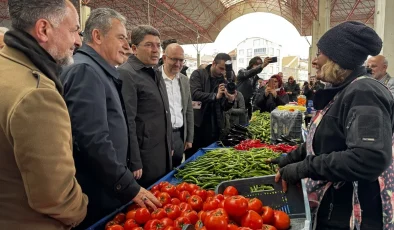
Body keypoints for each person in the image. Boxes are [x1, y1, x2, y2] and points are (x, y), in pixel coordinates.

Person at [272, 21, 394, 229]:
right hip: (335, 202)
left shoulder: (364, 93)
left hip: (352, 209)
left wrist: (304, 168)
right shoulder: (344, 90)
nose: (313, 61)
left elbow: (368, 158)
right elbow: (328, 137)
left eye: (319, 53)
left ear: (338, 58)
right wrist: (291, 157)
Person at [60, 10, 161, 229]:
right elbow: (92, 140)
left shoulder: (98, 70)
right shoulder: (85, 70)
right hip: (97, 189)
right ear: (97, 36)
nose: (127, 45)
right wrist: (127, 185)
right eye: (121, 37)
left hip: (105, 184)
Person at [0, 0, 88, 229]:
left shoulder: (6, 68)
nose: (78, 41)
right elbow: (56, 198)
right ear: (43, 30)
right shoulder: (37, 95)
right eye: (73, 30)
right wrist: (83, 206)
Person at [118, 25, 172, 188]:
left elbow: (164, 112)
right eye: (149, 45)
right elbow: (129, 120)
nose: (156, 50)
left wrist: (168, 145)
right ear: (134, 48)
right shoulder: (127, 74)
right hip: (145, 157)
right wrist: (134, 160)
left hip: (161, 151)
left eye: (158, 45)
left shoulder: (154, 71)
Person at [188, 53, 236, 157]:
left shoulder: (224, 81)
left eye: (225, 70)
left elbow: (224, 107)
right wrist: (215, 96)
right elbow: (194, 94)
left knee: (210, 157)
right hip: (197, 124)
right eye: (221, 68)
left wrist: (230, 100)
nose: (222, 72)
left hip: (215, 124)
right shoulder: (198, 74)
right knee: (193, 157)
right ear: (214, 63)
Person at [160, 43, 194, 167]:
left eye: (181, 60)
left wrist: (189, 137)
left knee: (176, 171)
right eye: (174, 59)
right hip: (161, 137)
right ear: (164, 58)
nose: (178, 64)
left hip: (179, 135)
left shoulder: (184, 80)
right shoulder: (154, 77)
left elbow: (188, 109)